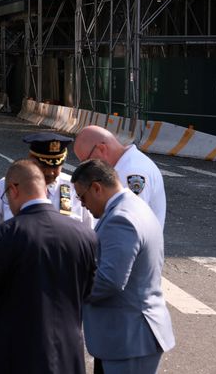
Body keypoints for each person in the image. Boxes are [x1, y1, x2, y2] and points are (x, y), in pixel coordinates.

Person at [0, 160, 98, 374]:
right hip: (66, 353)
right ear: (44, 189)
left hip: (15, 355)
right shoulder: (85, 235)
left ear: (14, 190)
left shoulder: (2, 236)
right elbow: (88, 291)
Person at [72, 160, 175, 374]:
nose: (82, 204)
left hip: (129, 338)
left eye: (82, 197)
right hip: (131, 335)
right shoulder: (133, 206)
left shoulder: (120, 219)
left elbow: (109, 281)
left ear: (97, 188)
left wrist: (68, 296)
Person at [0, 132, 92, 255]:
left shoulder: (75, 187)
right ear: (30, 160)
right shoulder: (8, 185)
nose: (50, 173)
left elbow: (90, 235)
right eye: (44, 166)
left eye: (56, 167)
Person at [74, 125, 166, 227]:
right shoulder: (126, 164)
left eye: (87, 161)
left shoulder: (132, 172)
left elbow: (128, 223)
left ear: (102, 149)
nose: (86, 168)